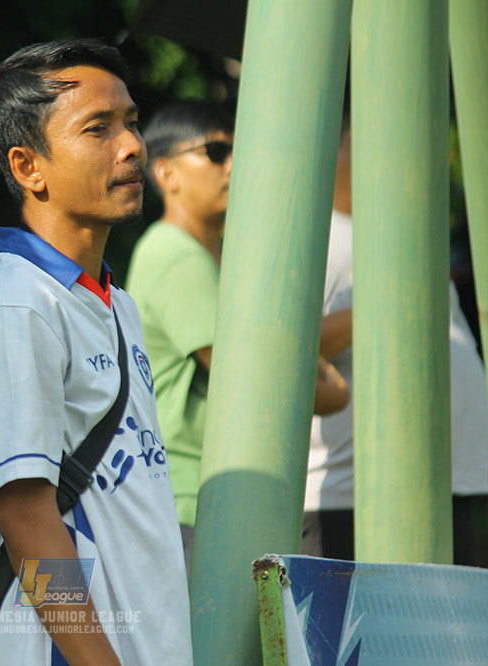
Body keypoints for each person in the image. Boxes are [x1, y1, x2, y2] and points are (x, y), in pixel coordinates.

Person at [0, 39, 193, 665]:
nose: (133, 145)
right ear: (29, 167)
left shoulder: (116, 302)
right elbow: (27, 520)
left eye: (132, 123)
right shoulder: (18, 306)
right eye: (99, 128)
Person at [126, 100, 350, 572]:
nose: (232, 165)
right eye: (213, 151)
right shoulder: (176, 255)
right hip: (193, 502)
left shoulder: (219, 258)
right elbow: (278, 381)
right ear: (165, 173)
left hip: (218, 499)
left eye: (237, 151)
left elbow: (302, 377)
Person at [303, 122, 488, 564]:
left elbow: (457, 344)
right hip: (350, 497)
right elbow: (288, 351)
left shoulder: (409, 239)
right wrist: (387, 305)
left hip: (451, 484)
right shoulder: (315, 239)